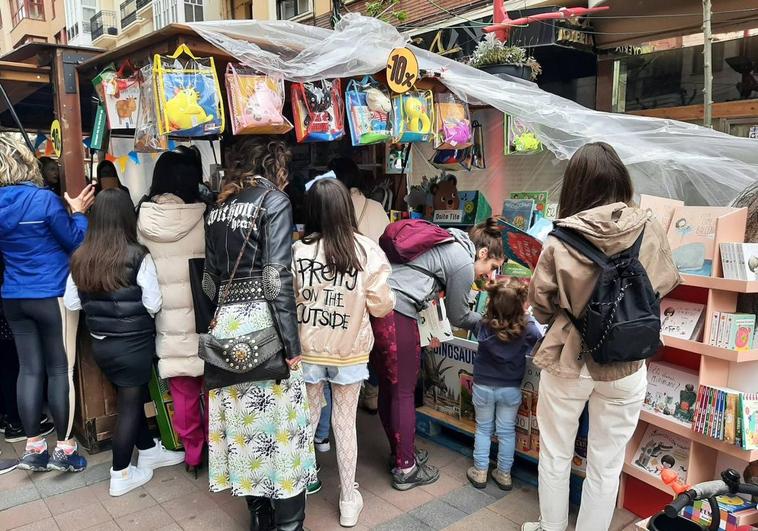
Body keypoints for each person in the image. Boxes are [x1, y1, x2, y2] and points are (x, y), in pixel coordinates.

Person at [522, 142, 680, 531]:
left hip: (568, 360)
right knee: (606, 465)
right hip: (626, 362)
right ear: (621, 181)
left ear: (574, 187)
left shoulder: (560, 239)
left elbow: (540, 304)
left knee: (556, 455)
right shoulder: (650, 227)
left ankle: (551, 526)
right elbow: (664, 283)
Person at [204, 136, 316, 531]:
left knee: (245, 428)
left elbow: (208, 282)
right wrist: (291, 343)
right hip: (265, 327)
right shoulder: (274, 202)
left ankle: (258, 518)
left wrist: (220, 324)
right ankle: (289, 525)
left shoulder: (218, 208)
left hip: (229, 327)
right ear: (276, 168)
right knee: (283, 431)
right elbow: (276, 277)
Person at [65, 189, 184, 495]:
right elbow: (154, 303)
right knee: (130, 405)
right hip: (134, 343)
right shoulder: (137, 255)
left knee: (129, 397)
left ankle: (148, 450)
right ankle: (120, 474)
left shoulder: (80, 257)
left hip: (102, 345)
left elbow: (72, 303)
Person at [372, 218, 506, 490]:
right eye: (491, 267)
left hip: (383, 308)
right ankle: (406, 468)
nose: (488, 275)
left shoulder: (449, 241)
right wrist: (488, 322)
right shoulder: (462, 262)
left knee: (391, 388)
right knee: (404, 391)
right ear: (482, 253)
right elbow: (459, 315)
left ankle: (401, 453)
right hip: (399, 312)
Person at [293, 178, 395, 527]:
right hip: (349, 352)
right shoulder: (366, 251)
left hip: (308, 350)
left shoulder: (298, 250)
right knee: (344, 422)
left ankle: (302, 482)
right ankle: (349, 499)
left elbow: (288, 301)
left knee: (307, 416)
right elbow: (382, 306)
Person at [0, 137, 94, 472]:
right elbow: (76, 241)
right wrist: (80, 213)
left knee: (28, 370)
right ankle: (65, 450)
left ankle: (34, 447)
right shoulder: (43, 200)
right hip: (51, 294)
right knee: (60, 370)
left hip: (13, 296)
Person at [137, 151, 207, 475]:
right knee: (214, 388)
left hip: (166, 318)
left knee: (182, 390)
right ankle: (220, 450)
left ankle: (193, 454)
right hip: (206, 317)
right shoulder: (204, 216)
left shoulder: (142, 220)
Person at [466, 279, 542, 491]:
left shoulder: (482, 324)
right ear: (521, 304)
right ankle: (504, 474)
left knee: (483, 429)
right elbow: (538, 337)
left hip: (482, 385)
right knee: (506, 431)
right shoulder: (528, 329)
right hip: (510, 388)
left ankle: (480, 471)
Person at [329, 157, 390, 416]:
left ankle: (341, 396)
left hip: (345, 285)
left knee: (345, 339)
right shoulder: (377, 207)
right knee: (373, 340)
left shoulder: (334, 208)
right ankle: (373, 391)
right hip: (374, 282)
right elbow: (389, 242)